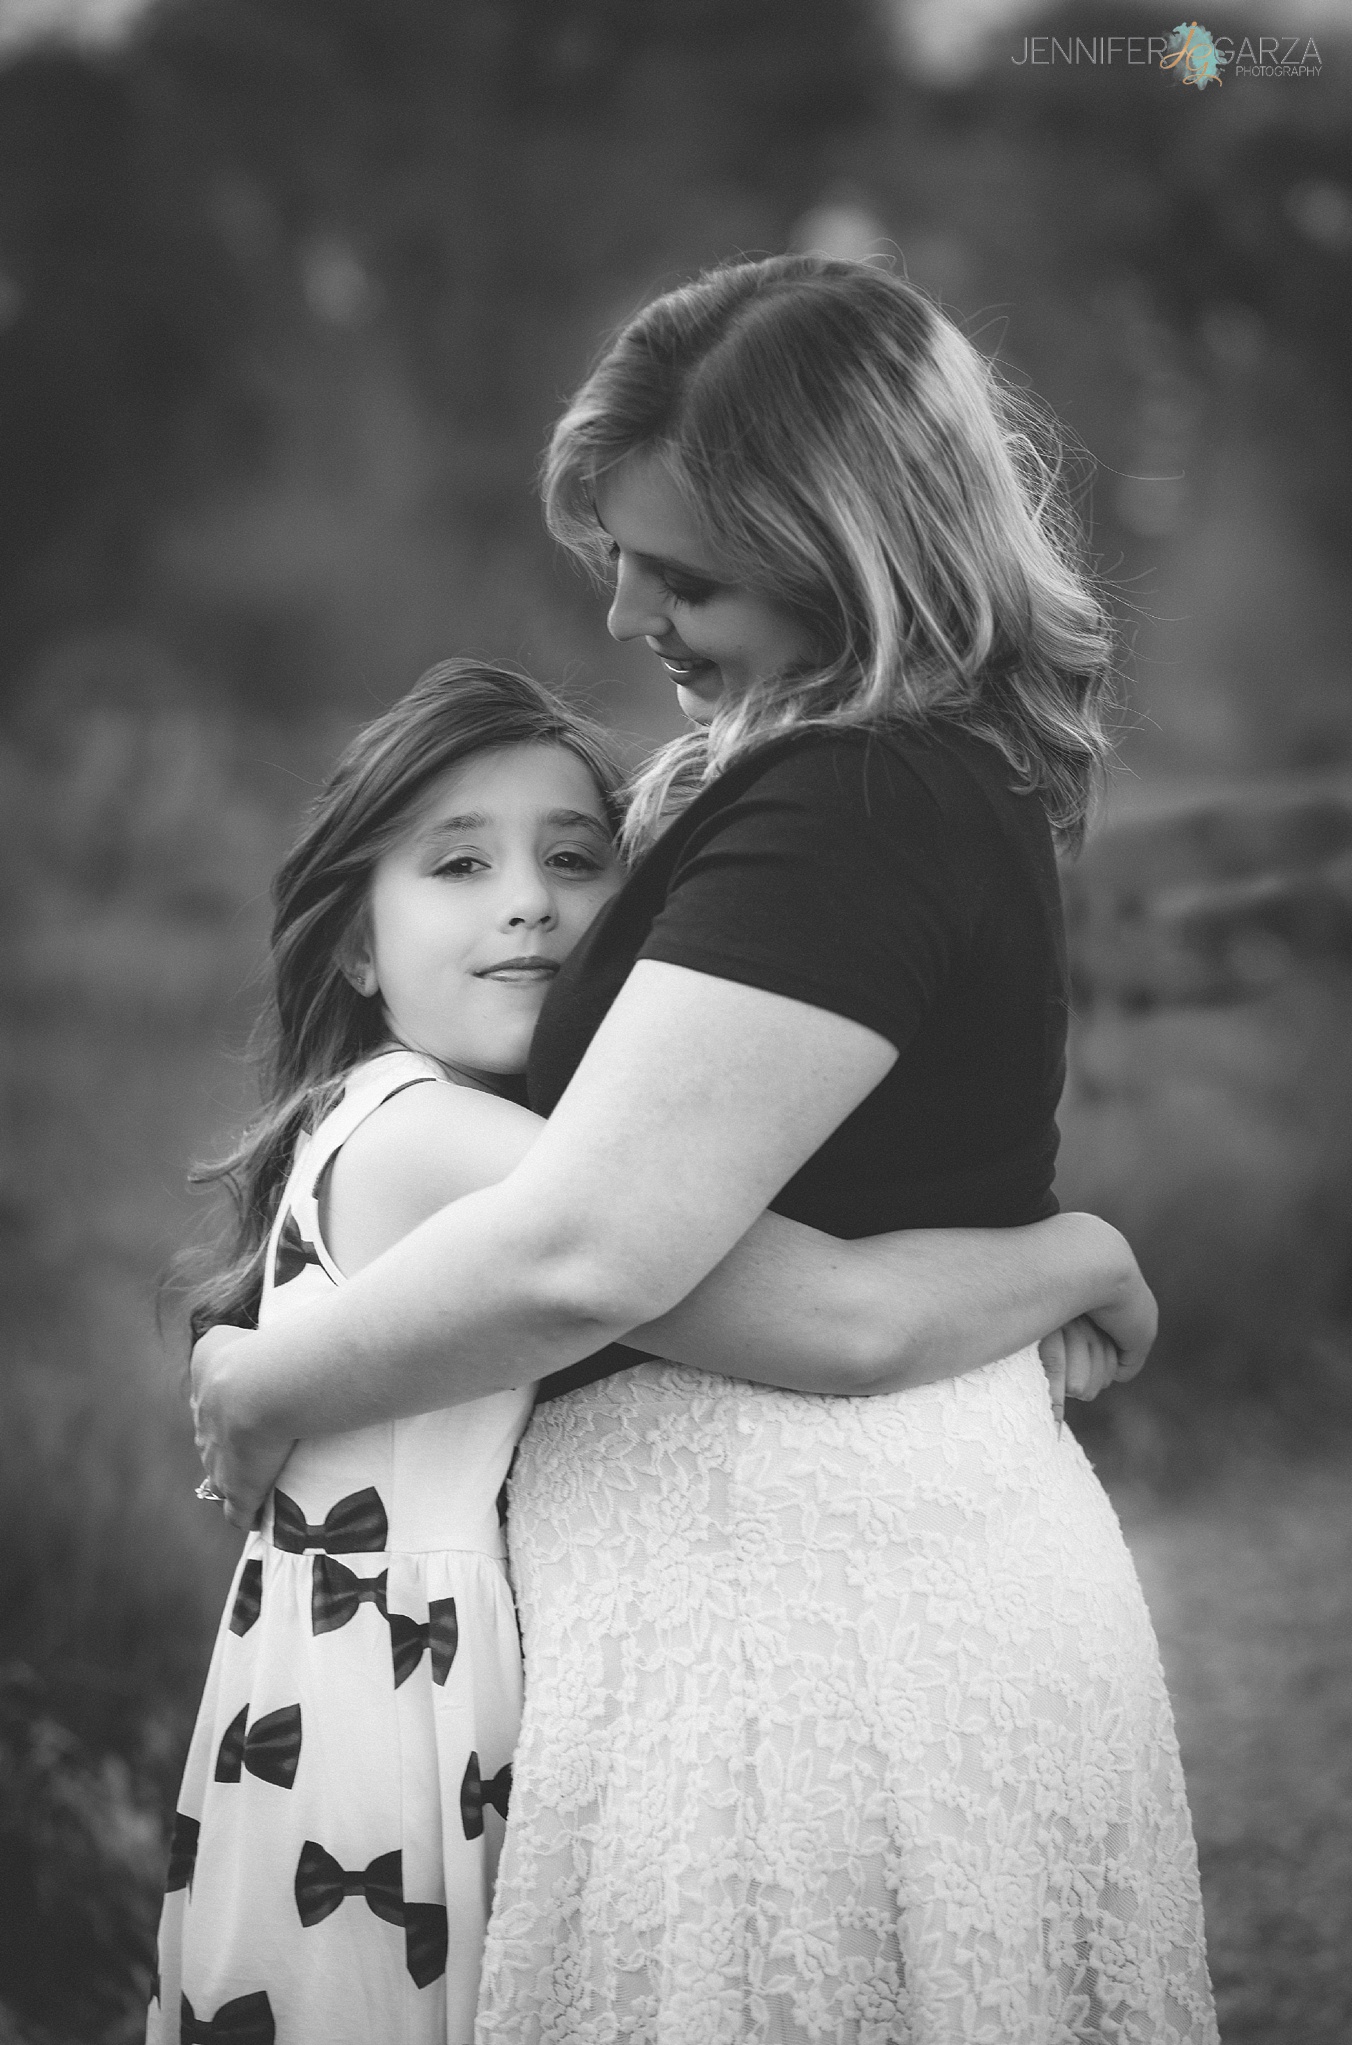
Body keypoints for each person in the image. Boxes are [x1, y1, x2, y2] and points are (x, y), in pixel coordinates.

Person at [192, 256, 1217, 2040]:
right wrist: (1073, 1255)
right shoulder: (873, 779)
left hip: (804, 1643)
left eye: (682, 577)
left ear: (849, 554)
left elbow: (596, 1251)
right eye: (613, 558)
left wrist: (254, 1376)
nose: (624, 616)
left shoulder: (855, 802)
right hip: (821, 1606)